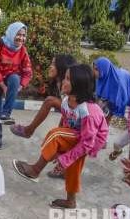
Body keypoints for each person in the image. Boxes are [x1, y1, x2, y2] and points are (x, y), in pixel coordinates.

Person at [12, 64, 108, 208]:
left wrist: (65, 157)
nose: (63, 81)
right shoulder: (66, 101)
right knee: (70, 162)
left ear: (79, 85)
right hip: (77, 135)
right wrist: (60, 150)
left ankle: (35, 170)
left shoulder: (89, 112)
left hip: (90, 140)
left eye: (68, 79)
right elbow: (65, 119)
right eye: (65, 77)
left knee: (56, 136)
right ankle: (71, 201)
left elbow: (87, 142)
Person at [10, 54, 77, 178]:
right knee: (58, 139)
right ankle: (65, 173)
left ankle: (35, 169)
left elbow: (74, 113)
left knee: (50, 101)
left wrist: (60, 132)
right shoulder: (61, 83)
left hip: (83, 129)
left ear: (61, 67)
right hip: (74, 122)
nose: (50, 66)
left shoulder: (70, 85)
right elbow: (66, 114)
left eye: (53, 64)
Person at [0, 21, 32, 150]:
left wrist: (18, 87)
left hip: (9, 80)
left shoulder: (22, 50)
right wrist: (4, 87)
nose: (21, 38)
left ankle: (6, 114)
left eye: (23, 35)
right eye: (18, 34)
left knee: (16, 78)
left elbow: (28, 72)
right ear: (11, 33)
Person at [93, 57, 130, 124]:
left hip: (122, 84)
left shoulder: (117, 85)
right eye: (93, 68)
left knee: (110, 110)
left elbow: (120, 99)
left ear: (104, 69)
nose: (93, 71)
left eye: (96, 69)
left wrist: (109, 114)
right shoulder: (100, 76)